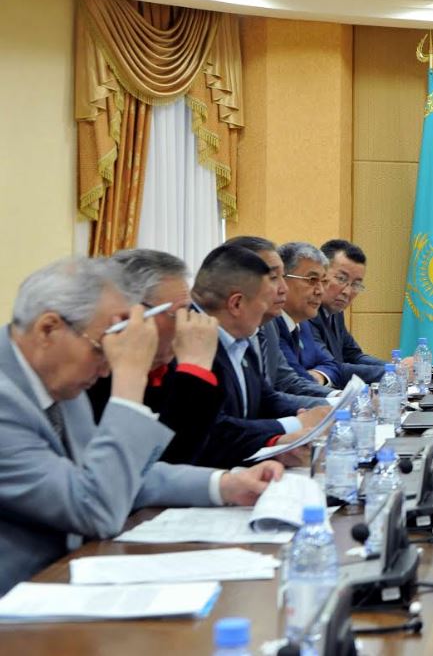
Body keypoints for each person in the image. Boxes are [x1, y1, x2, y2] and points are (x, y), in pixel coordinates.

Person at [0, 257, 282, 595]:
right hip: (20, 596)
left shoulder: (57, 379)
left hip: (66, 578)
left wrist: (224, 484)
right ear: (48, 329)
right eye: (101, 349)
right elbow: (94, 509)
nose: (106, 368)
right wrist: (130, 378)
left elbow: (115, 474)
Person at [191, 245, 330, 468]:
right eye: (264, 300)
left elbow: (266, 399)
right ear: (236, 303)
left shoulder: (242, 337)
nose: (280, 293)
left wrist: (318, 415)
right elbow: (214, 431)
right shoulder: (194, 343)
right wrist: (294, 425)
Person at [87, 249, 223, 464]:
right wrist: (195, 372)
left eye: (189, 311)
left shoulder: (172, 366)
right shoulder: (91, 377)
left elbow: (212, 438)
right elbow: (156, 464)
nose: (187, 323)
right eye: (178, 313)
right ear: (133, 315)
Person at [223, 236, 331, 408]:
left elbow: (279, 386)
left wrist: (338, 403)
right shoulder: (205, 337)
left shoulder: (267, 325)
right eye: (273, 278)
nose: (283, 288)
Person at [310, 239, 392, 383]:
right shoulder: (306, 314)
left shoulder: (336, 312)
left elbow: (353, 355)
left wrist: (394, 367)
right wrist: (394, 372)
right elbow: (333, 367)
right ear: (320, 274)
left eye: (356, 284)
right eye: (341, 279)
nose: (347, 291)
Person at [275, 242, 343, 388]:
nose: (320, 291)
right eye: (312, 280)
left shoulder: (303, 322)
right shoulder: (271, 325)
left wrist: (318, 376)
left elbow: (332, 364)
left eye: (323, 282)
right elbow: (294, 382)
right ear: (282, 279)